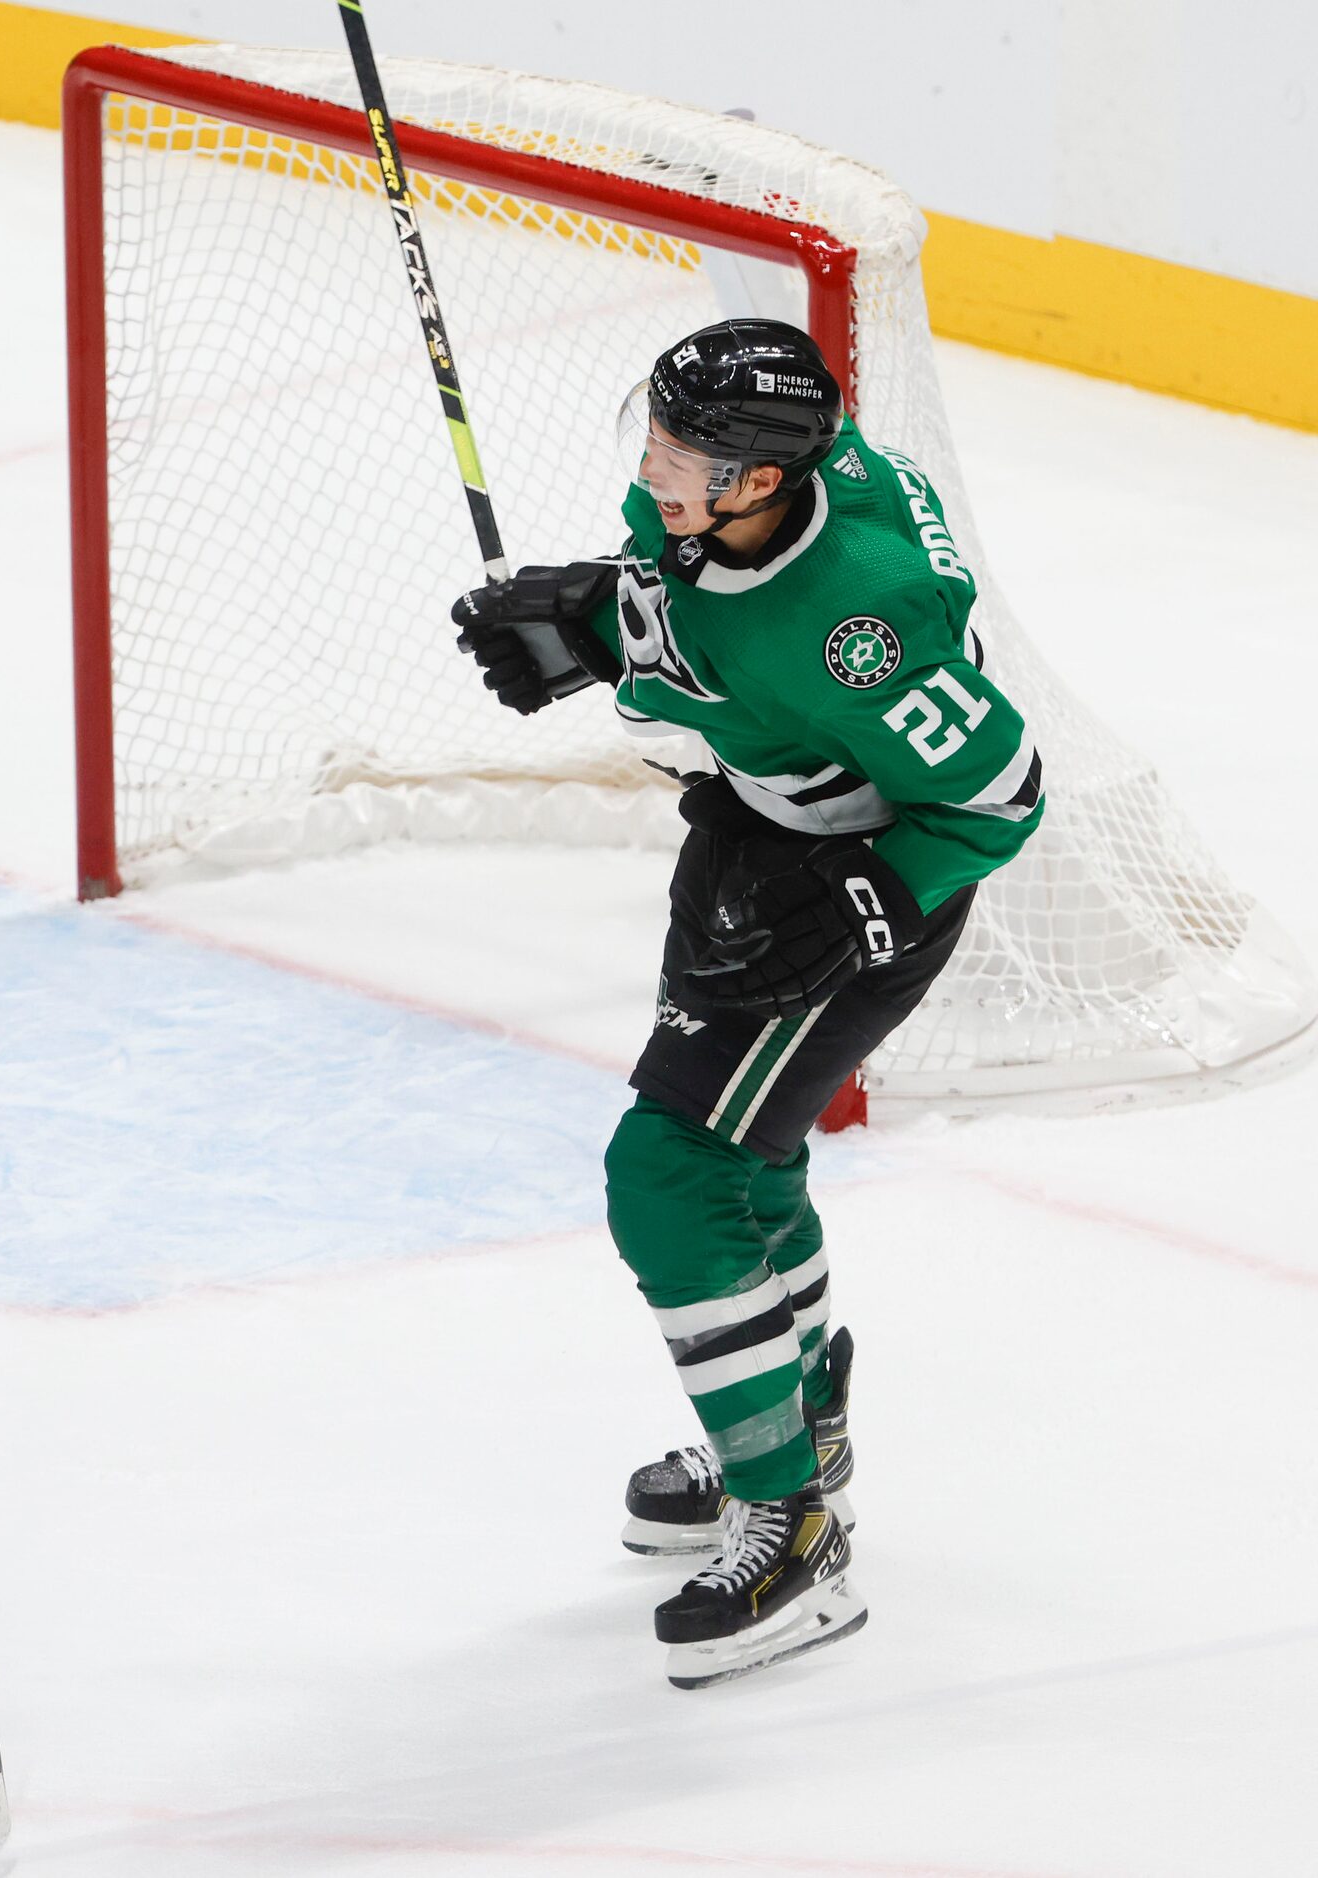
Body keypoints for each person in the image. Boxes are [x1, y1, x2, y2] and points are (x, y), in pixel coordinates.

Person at [450, 319, 1044, 1687]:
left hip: (850, 883)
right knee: (748, 1154)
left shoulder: (855, 622)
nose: (652, 470)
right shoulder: (731, 509)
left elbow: (1004, 792)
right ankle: (800, 1423)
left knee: (669, 1170)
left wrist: (872, 900)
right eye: (652, 437)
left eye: (684, 457)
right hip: (754, 832)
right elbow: (675, 594)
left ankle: (791, 1522)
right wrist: (597, 622)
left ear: (765, 481)